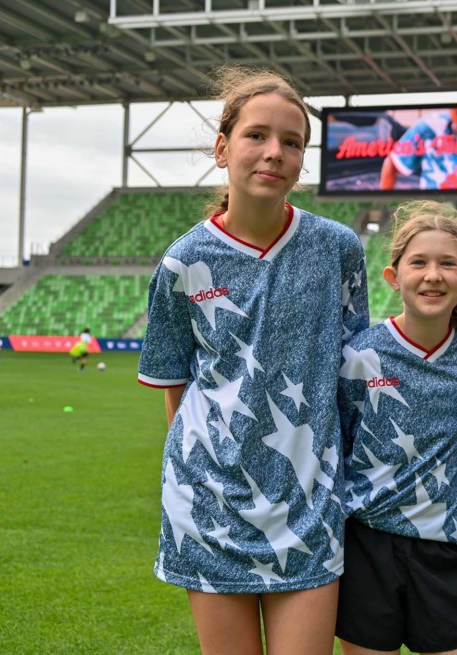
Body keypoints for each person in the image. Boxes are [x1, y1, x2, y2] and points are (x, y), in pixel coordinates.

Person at [137, 66, 369, 655]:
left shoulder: (338, 248)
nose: (275, 153)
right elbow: (176, 387)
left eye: (292, 142)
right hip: (209, 507)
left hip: (309, 507)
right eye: (257, 136)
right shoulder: (182, 262)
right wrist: (197, 485)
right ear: (222, 148)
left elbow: (353, 375)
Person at [336, 201, 457, 655]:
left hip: (442, 547)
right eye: (419, 262)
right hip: (366, 544)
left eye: (448, 263)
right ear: (393, 277)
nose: (433, 274)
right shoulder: (361, 354)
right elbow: (339, 441)